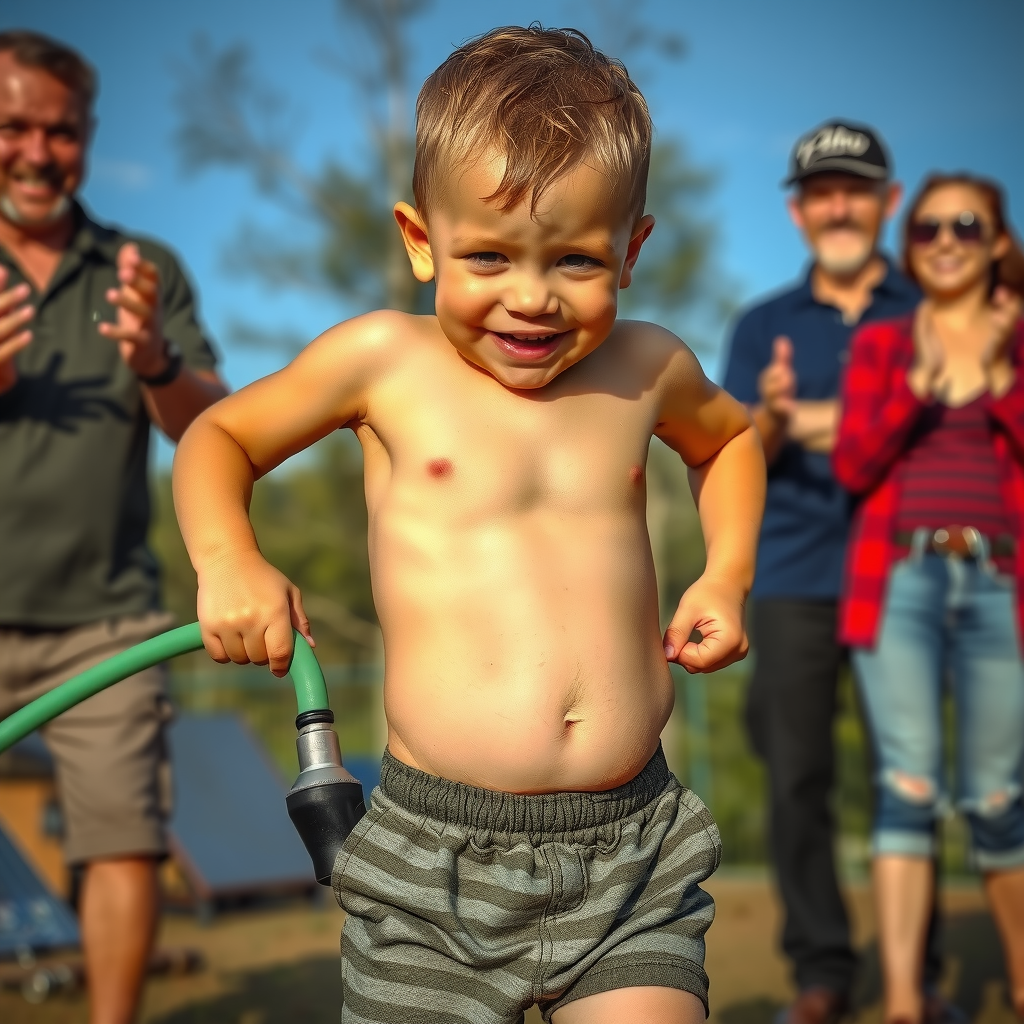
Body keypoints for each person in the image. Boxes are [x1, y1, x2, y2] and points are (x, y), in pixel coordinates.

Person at [173, 25, 765, 1024]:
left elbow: (730, 441)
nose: (529, 298)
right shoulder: (382, 362)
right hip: (431, 862)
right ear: (418, 239)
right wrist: (229, 557)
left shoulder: (651, 367)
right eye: (486, 255)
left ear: (631, 249)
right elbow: (217, 437)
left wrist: (726, 572)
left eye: (575, 260)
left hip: (628, 848)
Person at [0, 31, 227, 1024]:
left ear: (88, 136)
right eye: (14, 126)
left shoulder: (143, 267)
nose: (39, 153)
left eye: (62, 130)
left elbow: (216, 423)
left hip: (107, 617)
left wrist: (156, 363)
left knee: (124, 836)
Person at [721, 121, 953, 1024]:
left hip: (909, 572)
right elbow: (741, 451)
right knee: (796, 778)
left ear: (889, 203)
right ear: (797, 211)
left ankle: (917, 975)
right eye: (822, 192)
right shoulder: (761, 326)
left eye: (857, 188)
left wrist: (826, 417)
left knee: (913, 773)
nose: (840, 205)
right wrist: (774, 418)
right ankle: (820, 973)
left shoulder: (933, 309)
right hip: (791, 573)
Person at [833, 173, 1024, 1024]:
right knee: (906, 788)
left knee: (997, 795)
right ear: (911, 244)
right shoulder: (881, 342)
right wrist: (920, 385)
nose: (946, 239)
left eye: (967, 225)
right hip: (897, 581)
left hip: (1002, 586)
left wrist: (994, 373)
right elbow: (852, 465)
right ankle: (906, 1005)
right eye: (928, 228)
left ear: (997, 242)